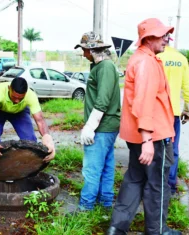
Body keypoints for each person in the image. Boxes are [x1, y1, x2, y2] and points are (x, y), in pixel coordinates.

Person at [107, 18, 181, 235]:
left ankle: (116, 228)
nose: (167, 39)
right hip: (152, 136)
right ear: (148, 39)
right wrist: (148, 139)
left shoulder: (141, 59)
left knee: (134, 179)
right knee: (157, 184)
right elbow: (144, 101)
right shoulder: (147, 63)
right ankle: (157, 230)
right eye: (162, 35)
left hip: (139, 135)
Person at [74, 32, 121, 211]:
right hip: (107, 126)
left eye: (84, 50)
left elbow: (103, 99)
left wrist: (90, 126)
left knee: (92, 169)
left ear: (92, 49)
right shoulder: (100, 66)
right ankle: (105, 203)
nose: (84, 54)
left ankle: (86, 208)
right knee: (106, 166)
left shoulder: (105, 67)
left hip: (102, 127)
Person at [0, 77, 55, 162]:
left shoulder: (31, 95)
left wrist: (48, 138)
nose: (17, 101)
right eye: (14, 97)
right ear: (9, 88)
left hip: (19, 112)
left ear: (25, 93)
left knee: (30, 140)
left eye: (20, 98)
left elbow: (40, 120)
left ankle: (27, 164)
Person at [157, 40, 189, 195]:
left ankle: (156, 184)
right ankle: (170, 185)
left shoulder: (157, 57)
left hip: (158, 111)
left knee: (156, 148)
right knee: (173, 148)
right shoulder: (181, 59)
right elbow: (187, 86)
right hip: (174, 112)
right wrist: (187, 109)